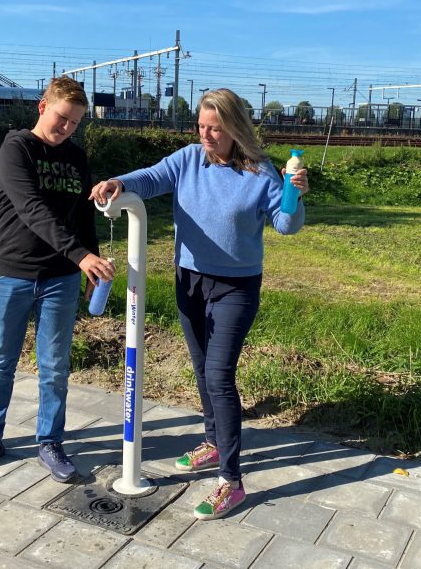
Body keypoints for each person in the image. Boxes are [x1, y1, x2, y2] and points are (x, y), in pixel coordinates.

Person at [89, 88, 308, 520]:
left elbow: (285, 225)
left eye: (215, 128)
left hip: (236, 288)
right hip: (189, 281)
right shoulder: (189, 159)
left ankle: (232, 480)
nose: (206, 135)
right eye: (201, 126)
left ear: (234, 128)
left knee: (219, 375)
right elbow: (150, 179)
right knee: (201, 366)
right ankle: (212, 440)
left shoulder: (261, 173)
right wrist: (120, 183)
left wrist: (294, 193)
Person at [0, 76, 115, 482]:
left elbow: (81, 214)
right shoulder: (16, 148)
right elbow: (32, 209)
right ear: (43, 107)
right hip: (11, 273)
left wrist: (89, 263)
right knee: (0, 362)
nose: (67, 128)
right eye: (62, 119)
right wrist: (81, 255)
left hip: (61, 278)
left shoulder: (76, 157)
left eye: (75, 123)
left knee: (55, 366)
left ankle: (50, 441)